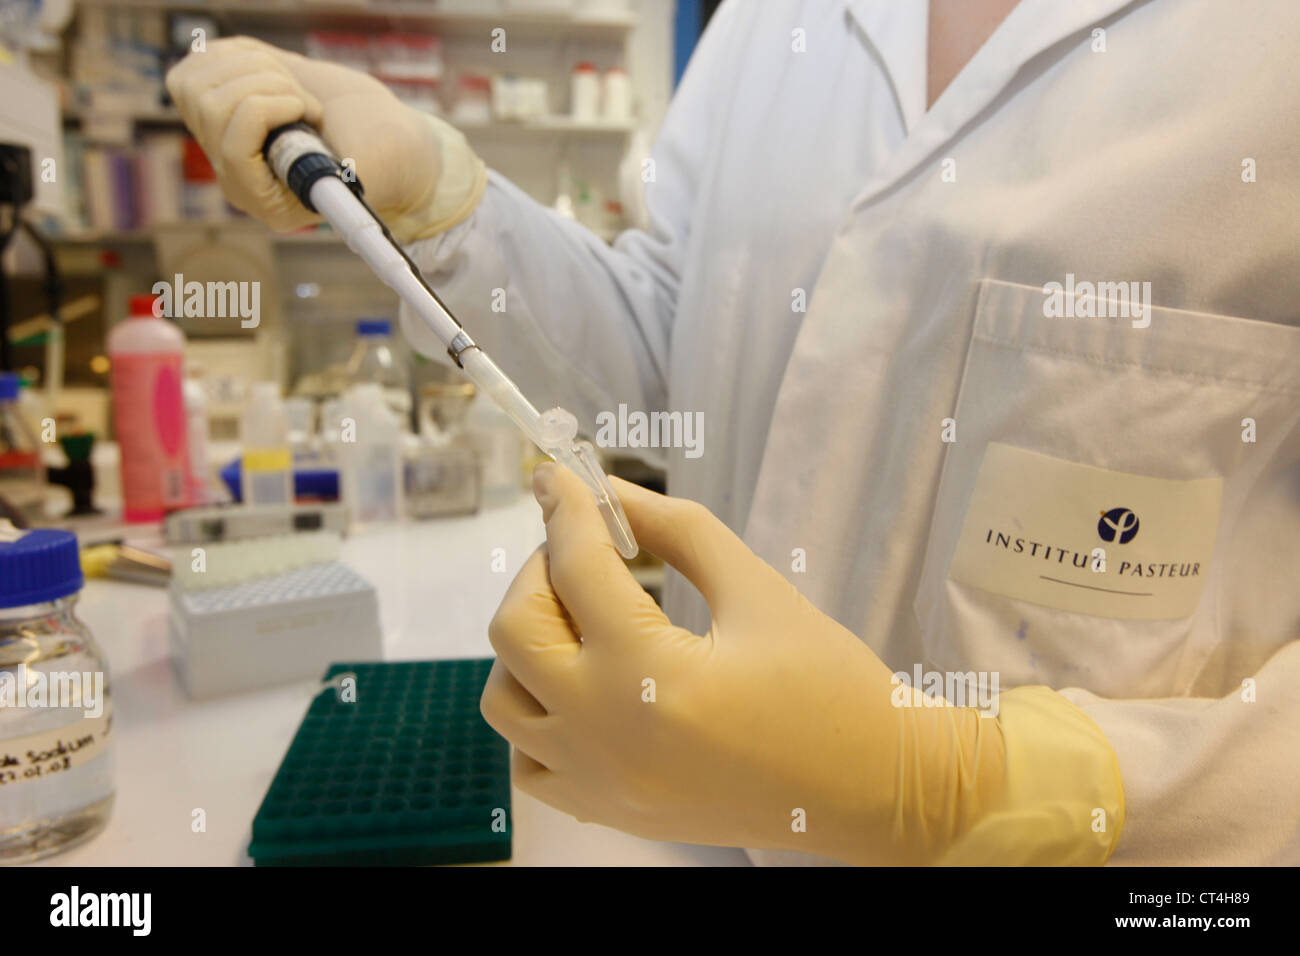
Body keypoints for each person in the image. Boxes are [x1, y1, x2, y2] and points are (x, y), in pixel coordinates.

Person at [165, 0, 1300, 865]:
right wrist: (447, 210)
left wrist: (962, 783)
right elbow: (664, 348)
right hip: (691, 834)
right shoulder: (768, 21)